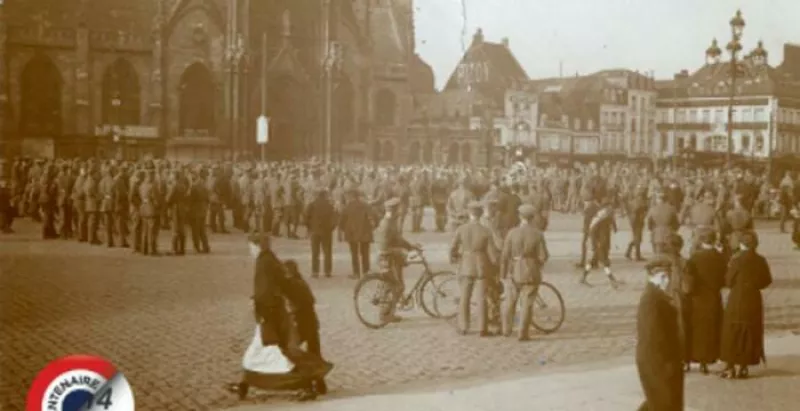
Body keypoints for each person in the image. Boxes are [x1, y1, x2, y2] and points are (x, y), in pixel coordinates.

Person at [230, 234, 331, 401]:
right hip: (274, 317)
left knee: (280, 355)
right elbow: (280, 287)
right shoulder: (272, 262)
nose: (250, 251)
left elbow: (266, 293)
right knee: (259, 354)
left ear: (256, 246)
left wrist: (262, 312)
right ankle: (243, 386)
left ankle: (307, 384)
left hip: (271, 319)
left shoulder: (264, 263)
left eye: (250, 247)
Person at [719, 231, 772, 379]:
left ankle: (730, 366)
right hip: (754, 298)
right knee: (750, 329)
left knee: (733, 329)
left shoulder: (736, 260)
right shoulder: (761, 260)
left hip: (737, 297)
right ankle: (743, 366)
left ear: (742, 244)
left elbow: (728, 281)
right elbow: (767, 280)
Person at [636, 258, 684, 411]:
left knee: (658, 402)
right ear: (651, 277)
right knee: (665, 404)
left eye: (667, 276)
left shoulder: (657, 296)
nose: (666, 281)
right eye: (662, 277)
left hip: (661, 361)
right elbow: (653, 337)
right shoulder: (652, 301)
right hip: (658, 362)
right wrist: (667, 364)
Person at [498, 204, 549, 341]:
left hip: (513, 270)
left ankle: (506, 330)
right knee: (527, 303)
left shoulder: (512, 233)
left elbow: (504, 255)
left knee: (509, 301)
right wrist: (536, 265)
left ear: (520, 217)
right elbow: (543, 256)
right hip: (531, 271)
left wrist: (503, 274)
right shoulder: (537, 234)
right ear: (532, 218)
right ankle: (523, 333)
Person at [684, 227, 726, 374]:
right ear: (714, 240)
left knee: (696, 328)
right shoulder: (721, 257)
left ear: (701, 241)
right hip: (714, 297)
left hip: (697, 297)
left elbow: (689, 281)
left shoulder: (694, 258)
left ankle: (692, 358)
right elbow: (724, 280)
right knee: (711, 328)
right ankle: (707, 359)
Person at [449, 200, 494, 336]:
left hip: (466, 265)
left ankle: (464, 326)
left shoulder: (461, 229)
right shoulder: (486, 231)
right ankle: (482, 328)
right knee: (482, 298)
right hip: (481, 265)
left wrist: (456, 258)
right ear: (480, 214)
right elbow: (492, 253)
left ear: (469, 213)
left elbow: (453, 249)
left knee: (465, 297)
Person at [374, 197, 419, 323]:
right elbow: (383, 248)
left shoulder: (390, 222)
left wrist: (410, 246)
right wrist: (401, 251)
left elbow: (398, 239)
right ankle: (385, 314)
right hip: (387, 260)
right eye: (397, 210)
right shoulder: (387, 224)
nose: (400, 212)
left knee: (397, 286)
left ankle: (390, 313)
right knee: (395, 287)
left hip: (392, 259)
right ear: (393, 210)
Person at [339, 186, 374, 279]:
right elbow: (375, 218)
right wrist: (371, 228)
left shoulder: (347, 207)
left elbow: (341, 221)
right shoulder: (366, 205)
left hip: (352, 233)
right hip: (365, 233)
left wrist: (344, 229)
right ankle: (366, 272)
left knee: (354, 254)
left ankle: (356, 273)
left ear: (351, 195)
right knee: (365, 253)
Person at [305, 187, 337, 278]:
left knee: (315, 252)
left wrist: (309, 227)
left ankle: (315, 271)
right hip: (326, 231)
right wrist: (331, 228)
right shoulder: (330, 205)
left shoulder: (312, 205)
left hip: (315, 230)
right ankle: (328, 271)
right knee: (327, 252)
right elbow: (335, 219)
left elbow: (306, 217)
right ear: (325, 195)